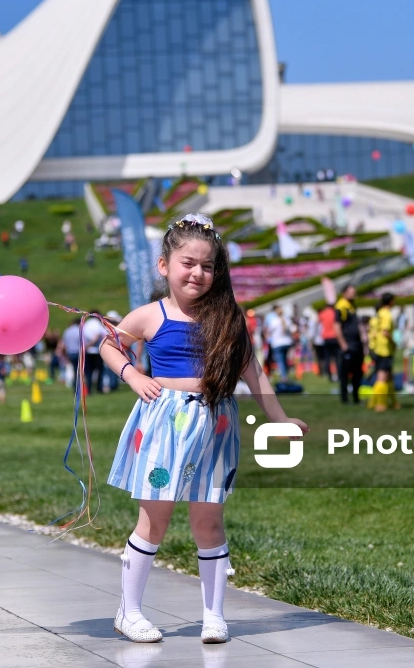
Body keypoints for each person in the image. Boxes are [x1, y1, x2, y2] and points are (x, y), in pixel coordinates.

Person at [100, 213, 307, 645]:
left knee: (209, 523)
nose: (198, 273)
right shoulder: (150, 315)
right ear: (164, 265)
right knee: (154, 520)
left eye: (208, 266)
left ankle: (214, 615)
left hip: (215, 425)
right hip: (163, 425)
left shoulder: (227, 319)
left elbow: (253, 371)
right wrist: (133, 375)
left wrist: (281, 420)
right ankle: (129, 611)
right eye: (187, 263)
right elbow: (109, 343)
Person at [334, 285, 365, 404]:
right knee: (345, 373)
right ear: (344, 293)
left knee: (357, 372)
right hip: (348, 344)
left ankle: (356, 398)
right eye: (352, 292)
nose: (354, 294)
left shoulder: (352, 306)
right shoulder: (341, 307)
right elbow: (336, 326)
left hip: (357, 344)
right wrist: (343, 344)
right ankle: (345, 399)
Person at [368, 293, 397, 412]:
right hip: (384, 349)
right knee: (382, 377)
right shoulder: (386, 314)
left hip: (376, 347)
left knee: (388, 376)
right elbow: (385, 332)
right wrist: (393, 342)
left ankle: (391, 402)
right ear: (391, 301)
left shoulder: (378, 315)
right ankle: (380, 405)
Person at [263, 305, 294, 380]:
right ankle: (285, 375)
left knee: (280, 361)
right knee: (284, 359)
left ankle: (284, 377)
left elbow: (268, 331)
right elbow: (293, 329)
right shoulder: (287, 320)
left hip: (277, 343)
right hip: (287, 342)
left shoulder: (274, 321)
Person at [82, 311, 107, 394]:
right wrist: (90, 344)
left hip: (88, 351)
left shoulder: (86, 324)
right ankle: (99, 388)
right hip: (96, 351)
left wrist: (86, 346)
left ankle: (89, 389)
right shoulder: (97, 324)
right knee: (99, 370)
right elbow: (98, 335)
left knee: (89, 371)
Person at [316, 303, 339, 381]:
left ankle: (328, 374)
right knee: (336, 358)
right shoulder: (335, 313)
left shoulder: (323, 313)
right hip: (335, 337)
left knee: (327, 357)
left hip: (326, 338)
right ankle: (337, 374)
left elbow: (318, 321)